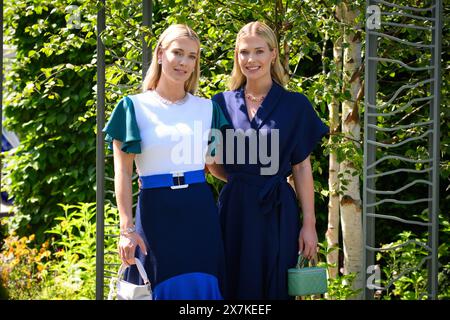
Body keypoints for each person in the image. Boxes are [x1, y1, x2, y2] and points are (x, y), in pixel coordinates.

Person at [103, 24, 228, 300]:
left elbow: (212, 163)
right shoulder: (132, 107)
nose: (184, 62)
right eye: (178, 53)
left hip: (200, 213)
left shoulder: (209, 110)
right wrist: (126, 230)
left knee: (205, 289)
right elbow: (122, 173)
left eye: (192, 56)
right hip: (156, 214)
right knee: (157, 289)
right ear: (160, 53)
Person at [210, 21, 329, 300]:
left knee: (274, 286)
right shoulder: (220, 104)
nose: (251, 60)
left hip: (278, 212)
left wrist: (309, 225)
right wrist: (245, 182)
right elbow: (211, 163)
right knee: (232, 284)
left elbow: (301, 167)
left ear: (273, 54)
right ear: (237, 57)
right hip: (234, 211)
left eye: (259, 51)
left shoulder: (295, 105)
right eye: (244, 53)